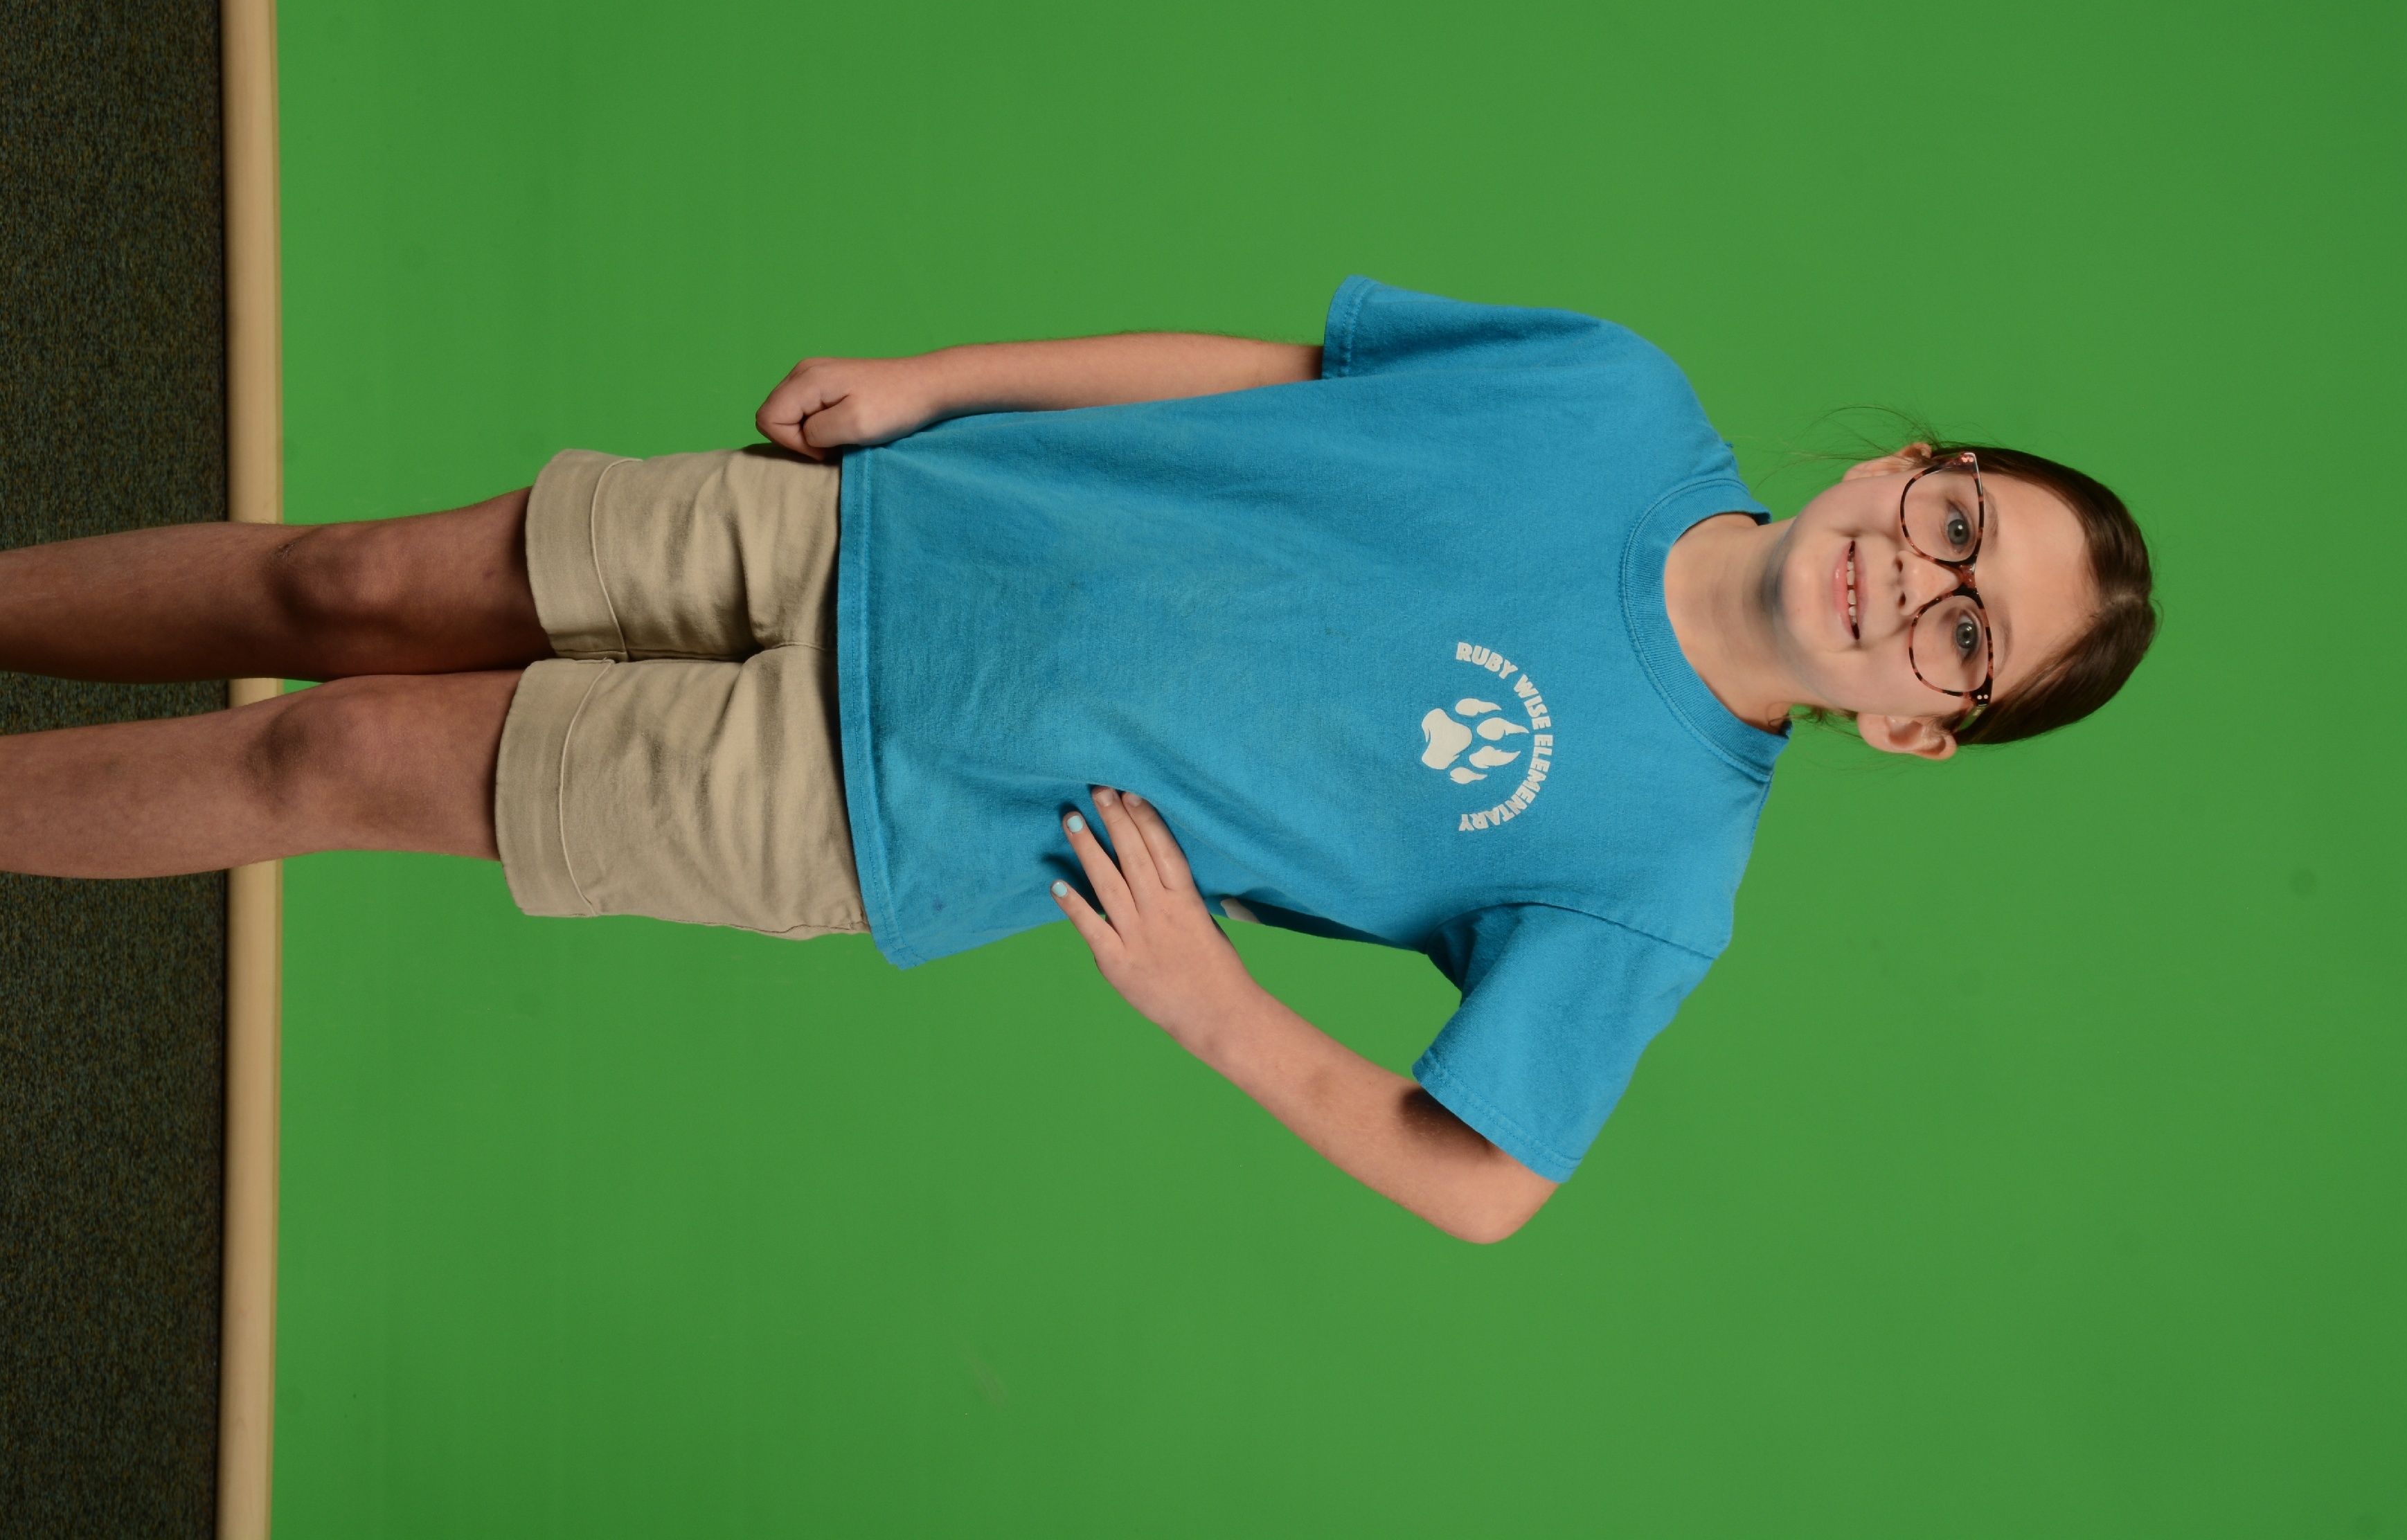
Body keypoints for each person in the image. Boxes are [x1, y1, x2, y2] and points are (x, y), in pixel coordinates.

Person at [0, 278, 2154, 1241]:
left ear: (1917, 725)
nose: (1912, 577)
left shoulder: (1657, 870)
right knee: (345, 580)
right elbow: (1277, 376)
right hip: (888, 526)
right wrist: (945, 379)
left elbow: (1488, 1184)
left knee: (331, 761)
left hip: (879, 795)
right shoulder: (1608, 390)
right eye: (1952, 519)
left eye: (1964, 635)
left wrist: (1219, 1014)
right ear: (1910, 463)